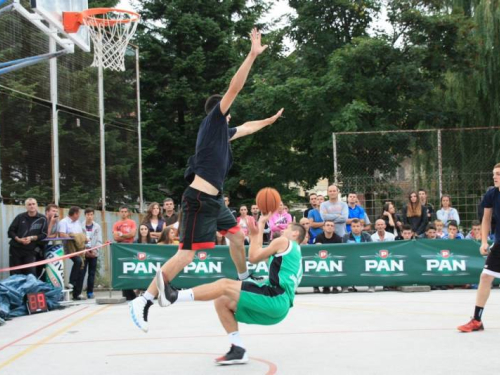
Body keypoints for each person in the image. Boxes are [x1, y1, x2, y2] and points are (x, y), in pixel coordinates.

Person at [130, 28, 283, 332]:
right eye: (227, 111)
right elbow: (234, 88)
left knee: (237, 236)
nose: (231, 116)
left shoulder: (223, 134)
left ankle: (243, 278)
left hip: (214, 201)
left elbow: (248, 128)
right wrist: (252, 55)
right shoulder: (213, 121)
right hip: (198, 200)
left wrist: (267, 121)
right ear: (220, 111)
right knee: (186, 254)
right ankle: (144, 300)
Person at [154, 214, 305, 365]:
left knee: (225, 284)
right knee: (222, 301)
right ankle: (237, 349)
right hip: (280, 309)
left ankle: (173, 296)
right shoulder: (293, 252)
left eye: (287, 228)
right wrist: (260, 225)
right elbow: (259, 252)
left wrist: (254, 233)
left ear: (295, 233)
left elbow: (253, 257)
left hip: (274, 298)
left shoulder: (284, 241)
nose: (284, 230)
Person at [458, 163, 500, 332]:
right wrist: (484, 241)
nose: (494, 177)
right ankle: (476, 320)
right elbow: (486, 219)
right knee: (485, 277)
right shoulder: (491, 194)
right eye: (493, 174)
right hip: (499, 243)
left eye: (498, 173)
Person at [7, 198, 47, 276]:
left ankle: (30, 288)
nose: (32, 206)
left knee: (30, 274)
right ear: (26, 207)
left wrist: (31, 238)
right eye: (29, 204)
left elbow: (44, 235)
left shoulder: (42, 219)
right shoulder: (20, 217)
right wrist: (18, 239)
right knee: (15, 274)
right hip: (16, 249)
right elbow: (10, 231)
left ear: (37, 205)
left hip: (30, 251)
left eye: (33, 204)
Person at [59, 206, 86, 300]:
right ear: (75, 213)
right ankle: (71, 282)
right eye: (79, 214)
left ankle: (77, 294)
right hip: (69, 248)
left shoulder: (78, 223)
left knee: (82, 267)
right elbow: (62, 234)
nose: (79, 216)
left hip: (78, 247)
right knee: (78, 261)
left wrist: (80, 238)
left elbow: (80, 235)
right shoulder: (63, 222)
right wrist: (73, 236)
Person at [113, 206, 137, 300]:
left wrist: (122, 235)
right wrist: (125, 236)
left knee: (130, 269)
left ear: (128, 213)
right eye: (122, 211)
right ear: (119, 213)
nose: (123, 213)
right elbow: (115, 238)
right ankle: (125, 292)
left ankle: (131, 292)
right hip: (120, 248)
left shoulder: (132, 222)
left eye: (125, 211)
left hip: (130, 247)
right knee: (122, 270)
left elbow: (132, 234)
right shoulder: (116, 224)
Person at [81, 208, 102, 299]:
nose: (89, 216)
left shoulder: (97, 226)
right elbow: (79, 240)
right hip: (84, 253)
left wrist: (95, 250)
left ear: (93, 215)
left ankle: (90, 292)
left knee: (92, 273)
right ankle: (79, 292)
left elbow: (99, 240)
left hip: (94, 253)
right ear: (85, 215)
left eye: (91, 214)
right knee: (81, 272)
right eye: (88, 214)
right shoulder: (80, 226)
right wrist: (85, 250)